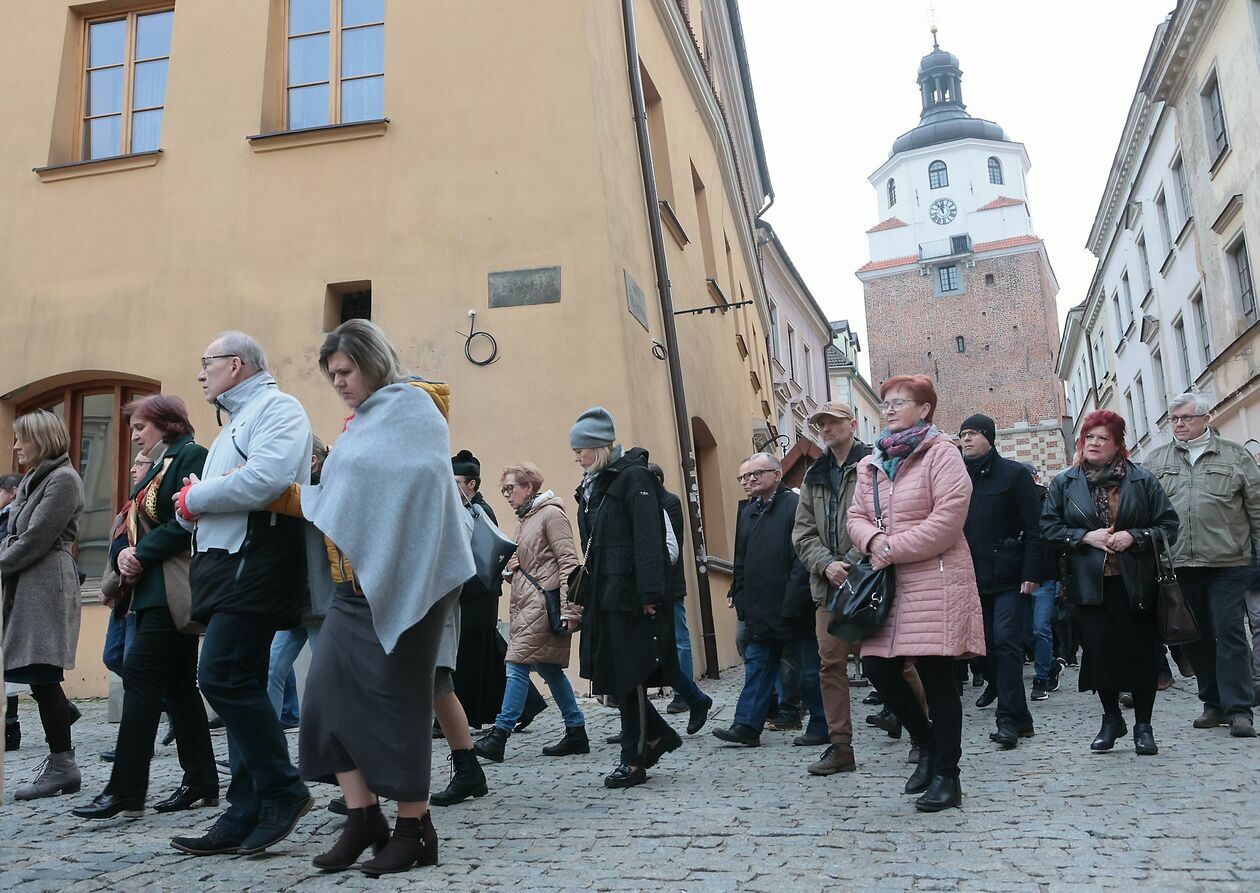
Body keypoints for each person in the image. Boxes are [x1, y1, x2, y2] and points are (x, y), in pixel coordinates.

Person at [272, 319, 473, 876]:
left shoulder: (415, 409)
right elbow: (342, 492)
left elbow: (413, 487)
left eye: (346, 370)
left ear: (373, 363)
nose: (337, 381)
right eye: (331, 373)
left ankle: (416, 828)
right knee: (324, 702)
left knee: (400, 705)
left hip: (413, 582)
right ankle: (363, 819)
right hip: (352, 588)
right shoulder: (360, 424)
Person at [168, 332, 314, 857]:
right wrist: (198, 502)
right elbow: (233, 489)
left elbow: (266, 480)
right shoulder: (238, 421)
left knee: (221, 674)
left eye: (206, 363)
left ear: (236, 364)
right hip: (230, 564)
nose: (201, 374)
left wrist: (194, 496)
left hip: (256, 560)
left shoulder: (278, 408)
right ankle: (244, 806)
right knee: (244, 679)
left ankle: (282, 789)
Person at [73, 396, 218, 819]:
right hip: (152, 589)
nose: (135, 435)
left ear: (167, 424)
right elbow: (133, 521)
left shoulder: (190, 454)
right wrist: (123, 554)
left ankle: (126, 790)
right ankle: (202, 781)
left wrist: (142, 554)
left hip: (171, 589)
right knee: (177, 686)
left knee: (139, 675)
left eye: (141, 426)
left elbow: (185, 519)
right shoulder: (158, 464)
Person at [848, 375, 984, 812]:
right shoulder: (872, 463)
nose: (887, 409)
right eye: (885, 402)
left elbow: (949, 518)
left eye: (898, 402)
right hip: (888, 586)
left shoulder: (941, 453)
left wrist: (893, 549)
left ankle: (948, 775)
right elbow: (855, 516)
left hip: (936, 580)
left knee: (938, 679)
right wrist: (872, 542)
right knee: (876, 667)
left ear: (925, 409)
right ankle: (924, 742)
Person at [1041, 410, 1179, 756]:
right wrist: (1085, 537)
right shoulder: (1065, 483)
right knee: (1100, 653)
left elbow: (1168, 526)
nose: (1094, 443)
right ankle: (1111, 718)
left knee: (1140, 655)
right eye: (1089, 437)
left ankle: (1143, 726)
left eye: (1103, 438)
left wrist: (1135, 536)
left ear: (1118, 445)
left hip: (1136, 582)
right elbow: (1048, 529)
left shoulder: (1142, 480)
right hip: (1089, 585)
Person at [571, 407, 679, 789]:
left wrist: (650, 592)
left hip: (629, 594)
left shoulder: (633, 478)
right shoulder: (595, 486)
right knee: (614, 676)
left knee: (629, 676)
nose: (578, 456)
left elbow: (647, 538)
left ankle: (633, 759)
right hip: (605, 592)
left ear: (599, 446)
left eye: (581, 449)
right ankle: (657, 735)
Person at [1144, 393, 1259, 738]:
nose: (1178, 424)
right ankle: (1213, 703)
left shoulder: (1235, 456)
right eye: (1173, 419)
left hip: (1228, 560)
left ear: (1206, 418)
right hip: (1180, 562)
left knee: (1230, 631)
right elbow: (1147, 509)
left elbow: (1256, 508)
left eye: (1185, 418)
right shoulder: (1157, 460)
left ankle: (1240, 709)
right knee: (1196, 636)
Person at [475, 462, 587, 763]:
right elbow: (532, 564)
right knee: (549, 669)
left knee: (516, 665)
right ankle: (576, 730)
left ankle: (500, 734)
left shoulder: (551, 514)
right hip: (527, 603)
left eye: (511, 488)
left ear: (529, 487)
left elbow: (569, 563)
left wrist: (570, 608)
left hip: (541, 604)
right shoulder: (527, 518)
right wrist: (512, 570)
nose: (507, 494)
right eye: (505, 489)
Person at [713, 453, 826, 749]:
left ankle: (821, 724)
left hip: (792, 606)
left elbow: (802, 558)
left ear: (777, 474)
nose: (749, 480)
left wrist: (793, 601)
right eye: (745, 477)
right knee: (759, 666)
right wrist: (738, 593)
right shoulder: (750, 510)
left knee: (809, 670)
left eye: (756, 474)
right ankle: (746, 725)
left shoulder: (794, 505)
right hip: (760, 608)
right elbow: (741, 558)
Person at [3, 409, 85, 800]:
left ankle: (63, 765)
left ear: (42, 440)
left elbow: (35, 538)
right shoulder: (35, 480)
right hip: (28, 582)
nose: (15, 446)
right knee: (37, 673)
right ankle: (62, 735)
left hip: (47, 582)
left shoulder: (63, 479)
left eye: (21, 438)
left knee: (43, 672)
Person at [792, 401, 871, 775]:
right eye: (820, 424)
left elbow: (883, 517)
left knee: (894, 661)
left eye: (833, 422)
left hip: (871, 577)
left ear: (852, 424)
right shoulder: (813, 475)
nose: (826, 428)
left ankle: (921, 734)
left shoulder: (873, 464)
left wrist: (851, 562)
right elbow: (802, 531)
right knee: (830, 663)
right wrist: (826, 565)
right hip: (828, 585)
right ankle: (841, 747)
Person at [957, 413, 1043, 749]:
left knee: (1006, 641)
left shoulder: (1014, 474)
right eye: (963, 434)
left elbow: (1035, 528)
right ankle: (1021, 718)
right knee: (986, 648)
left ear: (990, 438)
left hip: (1009, 574)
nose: (967, 440)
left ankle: (1007, 718)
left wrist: (1032, 572)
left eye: (974, 434)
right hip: (971, 575)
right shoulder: (956, 477)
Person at [265, 436, 332, 730]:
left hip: (320, 599)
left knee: (326, 674)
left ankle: (340, 746)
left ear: (312, 461)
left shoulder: (322, 491)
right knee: (270, 669)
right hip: (299, 600)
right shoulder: (299, 491)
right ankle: (261, 749)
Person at [648, 462, 713, 734]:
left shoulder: (669, 502)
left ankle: (683, 693)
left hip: (670, 583)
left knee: (679, 638)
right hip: (656, 584)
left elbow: (669, 544)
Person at [1021, 462, 1063, 701]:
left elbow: (1054, 540)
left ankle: (1042, 677)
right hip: (1019, 576)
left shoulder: (1047, 502)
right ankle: (1051, 666)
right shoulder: (1012, 505)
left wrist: (1060, 577)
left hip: (1045, 575)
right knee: (1026, 632)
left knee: (1040, 628)